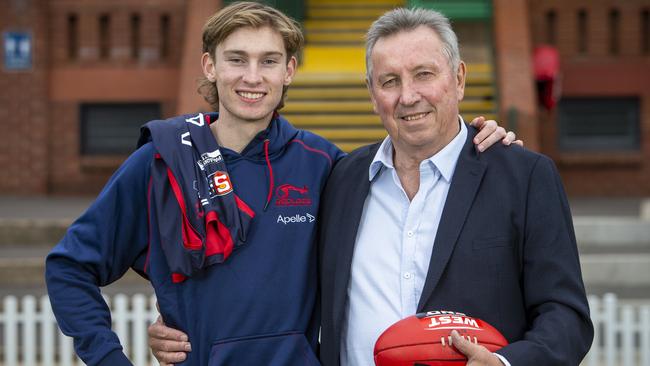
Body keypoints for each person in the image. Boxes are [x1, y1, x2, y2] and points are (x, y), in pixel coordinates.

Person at [45, 2, 515, 365]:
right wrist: (109, 357)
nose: (253, 77)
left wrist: (476, 138)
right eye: (237, 60)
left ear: (289, 71)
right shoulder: (161, 161)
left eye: (269, 61)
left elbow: (414, 168)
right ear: (210, 66)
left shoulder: (327, 166)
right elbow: (69, 267)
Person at [317, 8, 593, 366]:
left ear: (459, 78)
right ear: (372, 94)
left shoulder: (524, 177)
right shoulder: (341, 180)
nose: (408, 96)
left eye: (424, 75)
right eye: (389, 81)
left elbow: (566, 317)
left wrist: (507, 364)